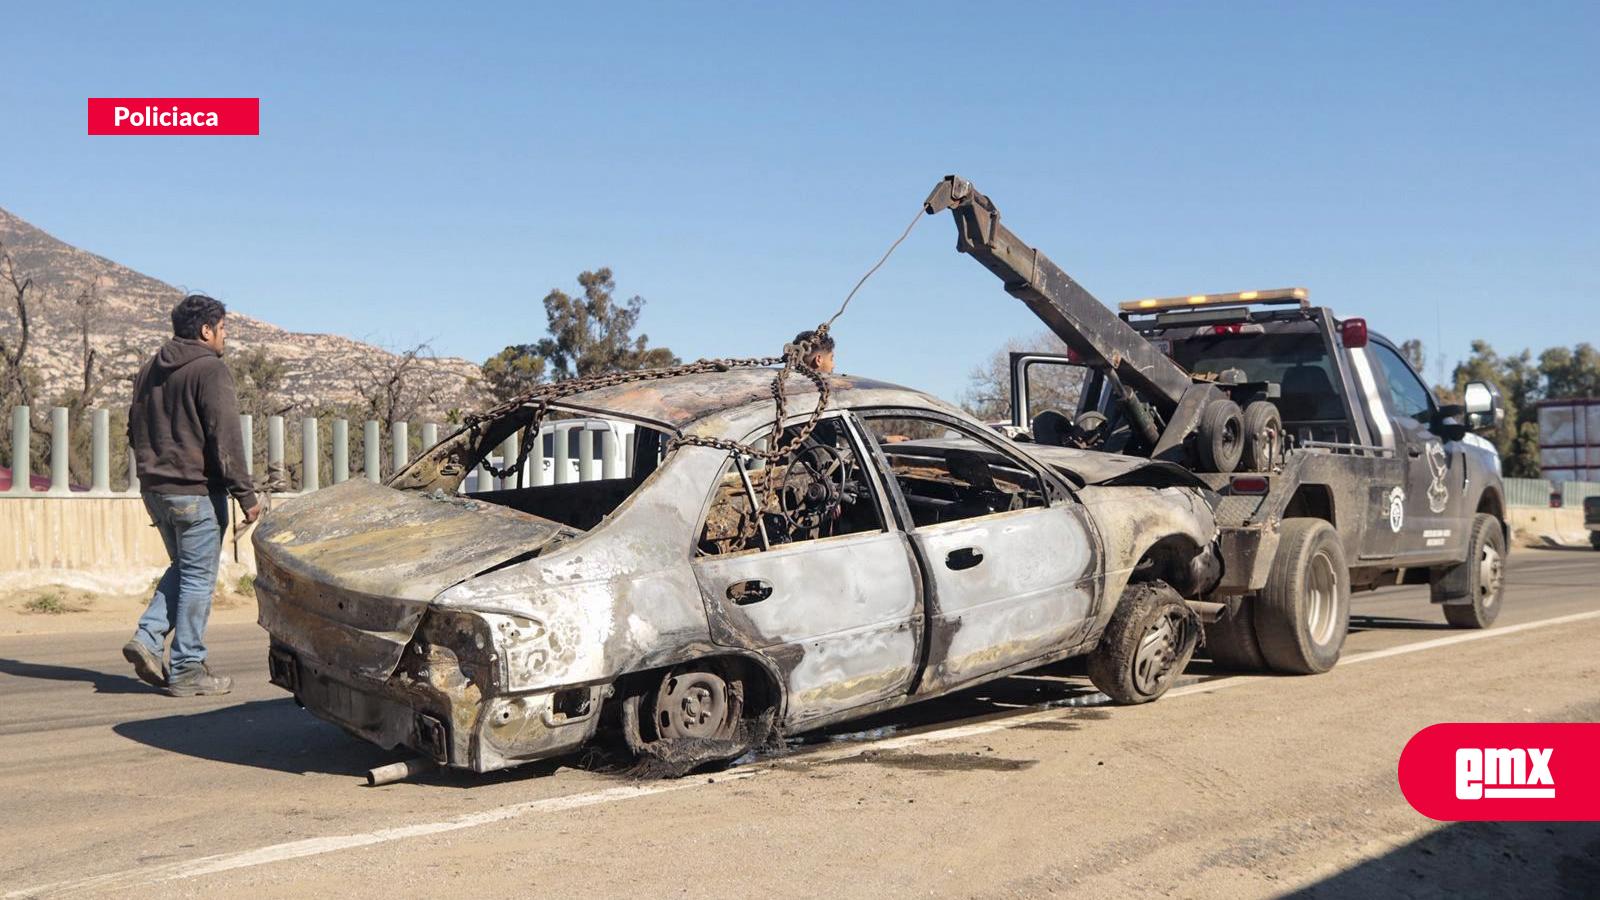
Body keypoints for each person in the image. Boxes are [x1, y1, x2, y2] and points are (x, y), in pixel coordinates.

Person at [122, 294, 260, 696]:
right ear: (206, 330)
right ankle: (186, 667)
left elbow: (133, 429)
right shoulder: (210, 369)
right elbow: (226, 438)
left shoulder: (149, 369)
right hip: (196, 494)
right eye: (222, 328)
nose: (225, 335)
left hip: (155, 490)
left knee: (184, 569)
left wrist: (152, 470)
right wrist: (246, 496)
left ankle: (148, 638)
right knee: (198, 579)